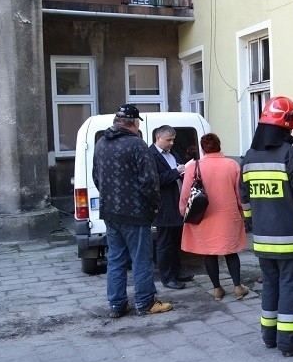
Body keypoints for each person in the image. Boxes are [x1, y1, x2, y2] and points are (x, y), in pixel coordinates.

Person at [240, 96, 293, 357]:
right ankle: (291, 340)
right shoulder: (290, 155)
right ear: (286, 125)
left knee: (271, 286)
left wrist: (255, 224)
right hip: (292, 240)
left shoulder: (250, 157)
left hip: (263, 241)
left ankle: (270, 335)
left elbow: (245, 200)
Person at [92, 104, 172, 318]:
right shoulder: (137, 145)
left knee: (116, 259)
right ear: (134, 124)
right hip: (135, 213)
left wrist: (110, 198)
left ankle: (117, 305)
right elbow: (149, 181)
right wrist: (154, 204)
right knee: (141, 258)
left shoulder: (101, 143)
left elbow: (96, 177)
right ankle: (145, 302)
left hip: (110, 212)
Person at [179, 133, 249, 301]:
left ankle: (217, 289)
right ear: (219, 145)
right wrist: (243, 211)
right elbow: (240, 194)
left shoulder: (193, 166)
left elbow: (185, 194)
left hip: (203, 215)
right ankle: (238, 287)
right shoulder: (232, 165)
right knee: (231, 252)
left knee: (209, 253)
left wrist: (184, 211)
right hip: (228, 215)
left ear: (202, 149)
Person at [149, 125, 194, 290]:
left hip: (177, 203)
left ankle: (176, 272)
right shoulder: (150, 155)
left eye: (173, 139)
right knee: (165, 243)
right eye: (169, 140)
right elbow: (154, 180)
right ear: (158, 138)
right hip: (163, 205)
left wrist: (184, 170)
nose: (172, 143)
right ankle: (167, 278)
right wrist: (176, 172)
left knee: (175, 241)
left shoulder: (171, 153)